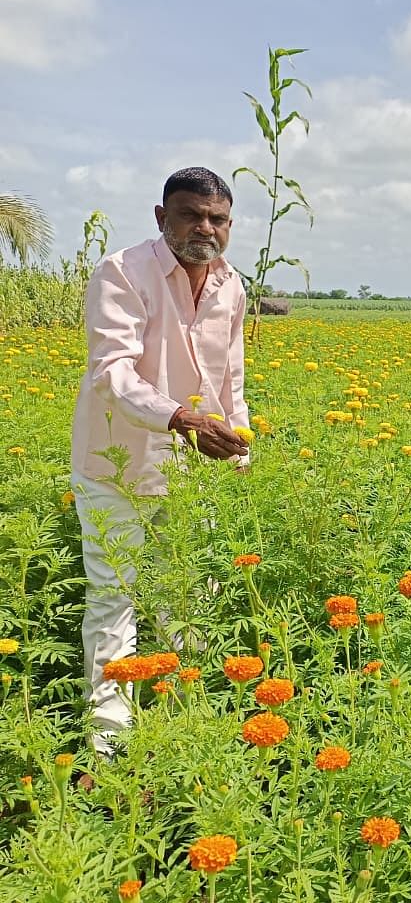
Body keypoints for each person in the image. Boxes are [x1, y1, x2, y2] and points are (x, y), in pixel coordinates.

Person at [71, 167, 250, 757]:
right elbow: (111, 371)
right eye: (191, 214)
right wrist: (181, 419)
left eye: (217, 218)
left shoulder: (231, 285)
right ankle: (108, 747)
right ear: (161, 216)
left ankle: (183, 725)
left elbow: (230, 381)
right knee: (114, 600)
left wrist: (237, 441)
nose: (205, 227)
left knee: (188, 597)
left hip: (191, 472)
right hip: (115, 467)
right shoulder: (124, 272)